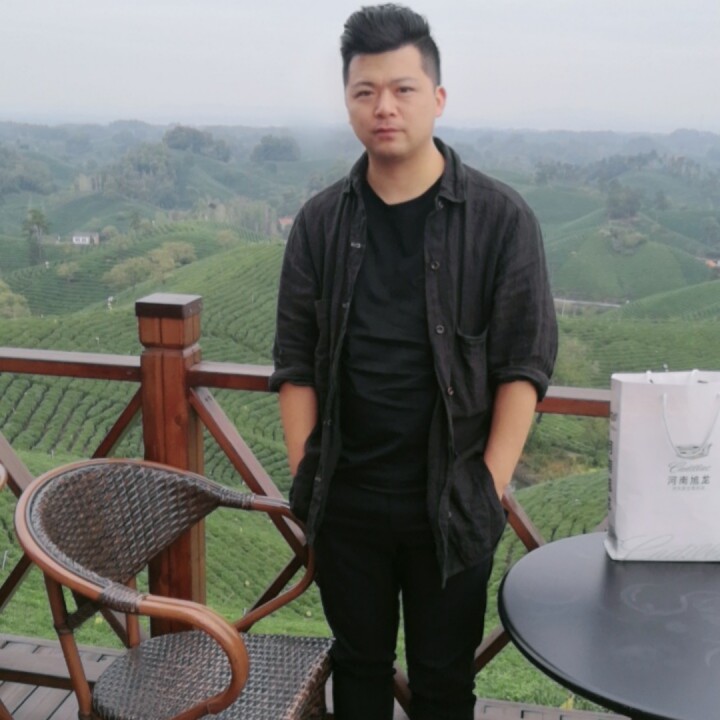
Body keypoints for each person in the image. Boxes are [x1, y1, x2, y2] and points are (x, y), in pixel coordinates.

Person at [269, 5, 558, 719]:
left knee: (443, 684)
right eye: (365, 91)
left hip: (451, 507)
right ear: (348, 102)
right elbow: (295, 361)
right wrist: (304, 470)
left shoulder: (500, 219)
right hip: (347, 502)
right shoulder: (320, 224)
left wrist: (487, 486)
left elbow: (524, 365)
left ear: (438, 97)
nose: (384, 107)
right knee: (358, 671)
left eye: (403, 89)